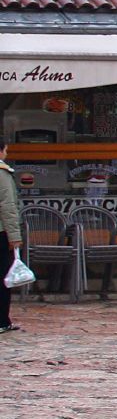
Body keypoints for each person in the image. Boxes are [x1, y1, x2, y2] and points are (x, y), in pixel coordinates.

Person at [0, 139, 22, 333]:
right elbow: (8, 207)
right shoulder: (2, 174)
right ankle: (1, 320)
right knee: (3, 277)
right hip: (1, 232)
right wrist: (14, 236)